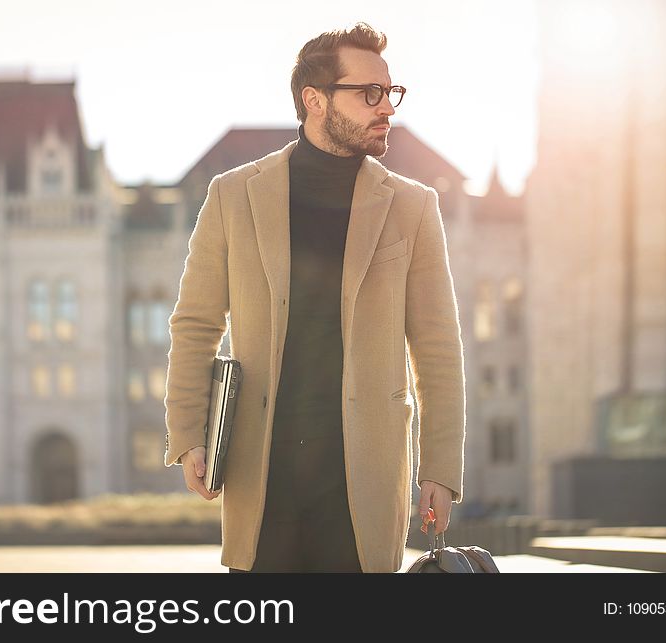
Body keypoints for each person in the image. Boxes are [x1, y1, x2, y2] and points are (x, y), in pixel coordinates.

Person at [164, 22, 465, 573]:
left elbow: (437, 349)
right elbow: (196, 323)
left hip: (363, 480)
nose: (386, 108)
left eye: (391, 92)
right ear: (315, 100)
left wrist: (440, 469)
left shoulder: (413, 207)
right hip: (262, 473)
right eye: (369, 93)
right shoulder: (232, 195)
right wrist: (188, 435)